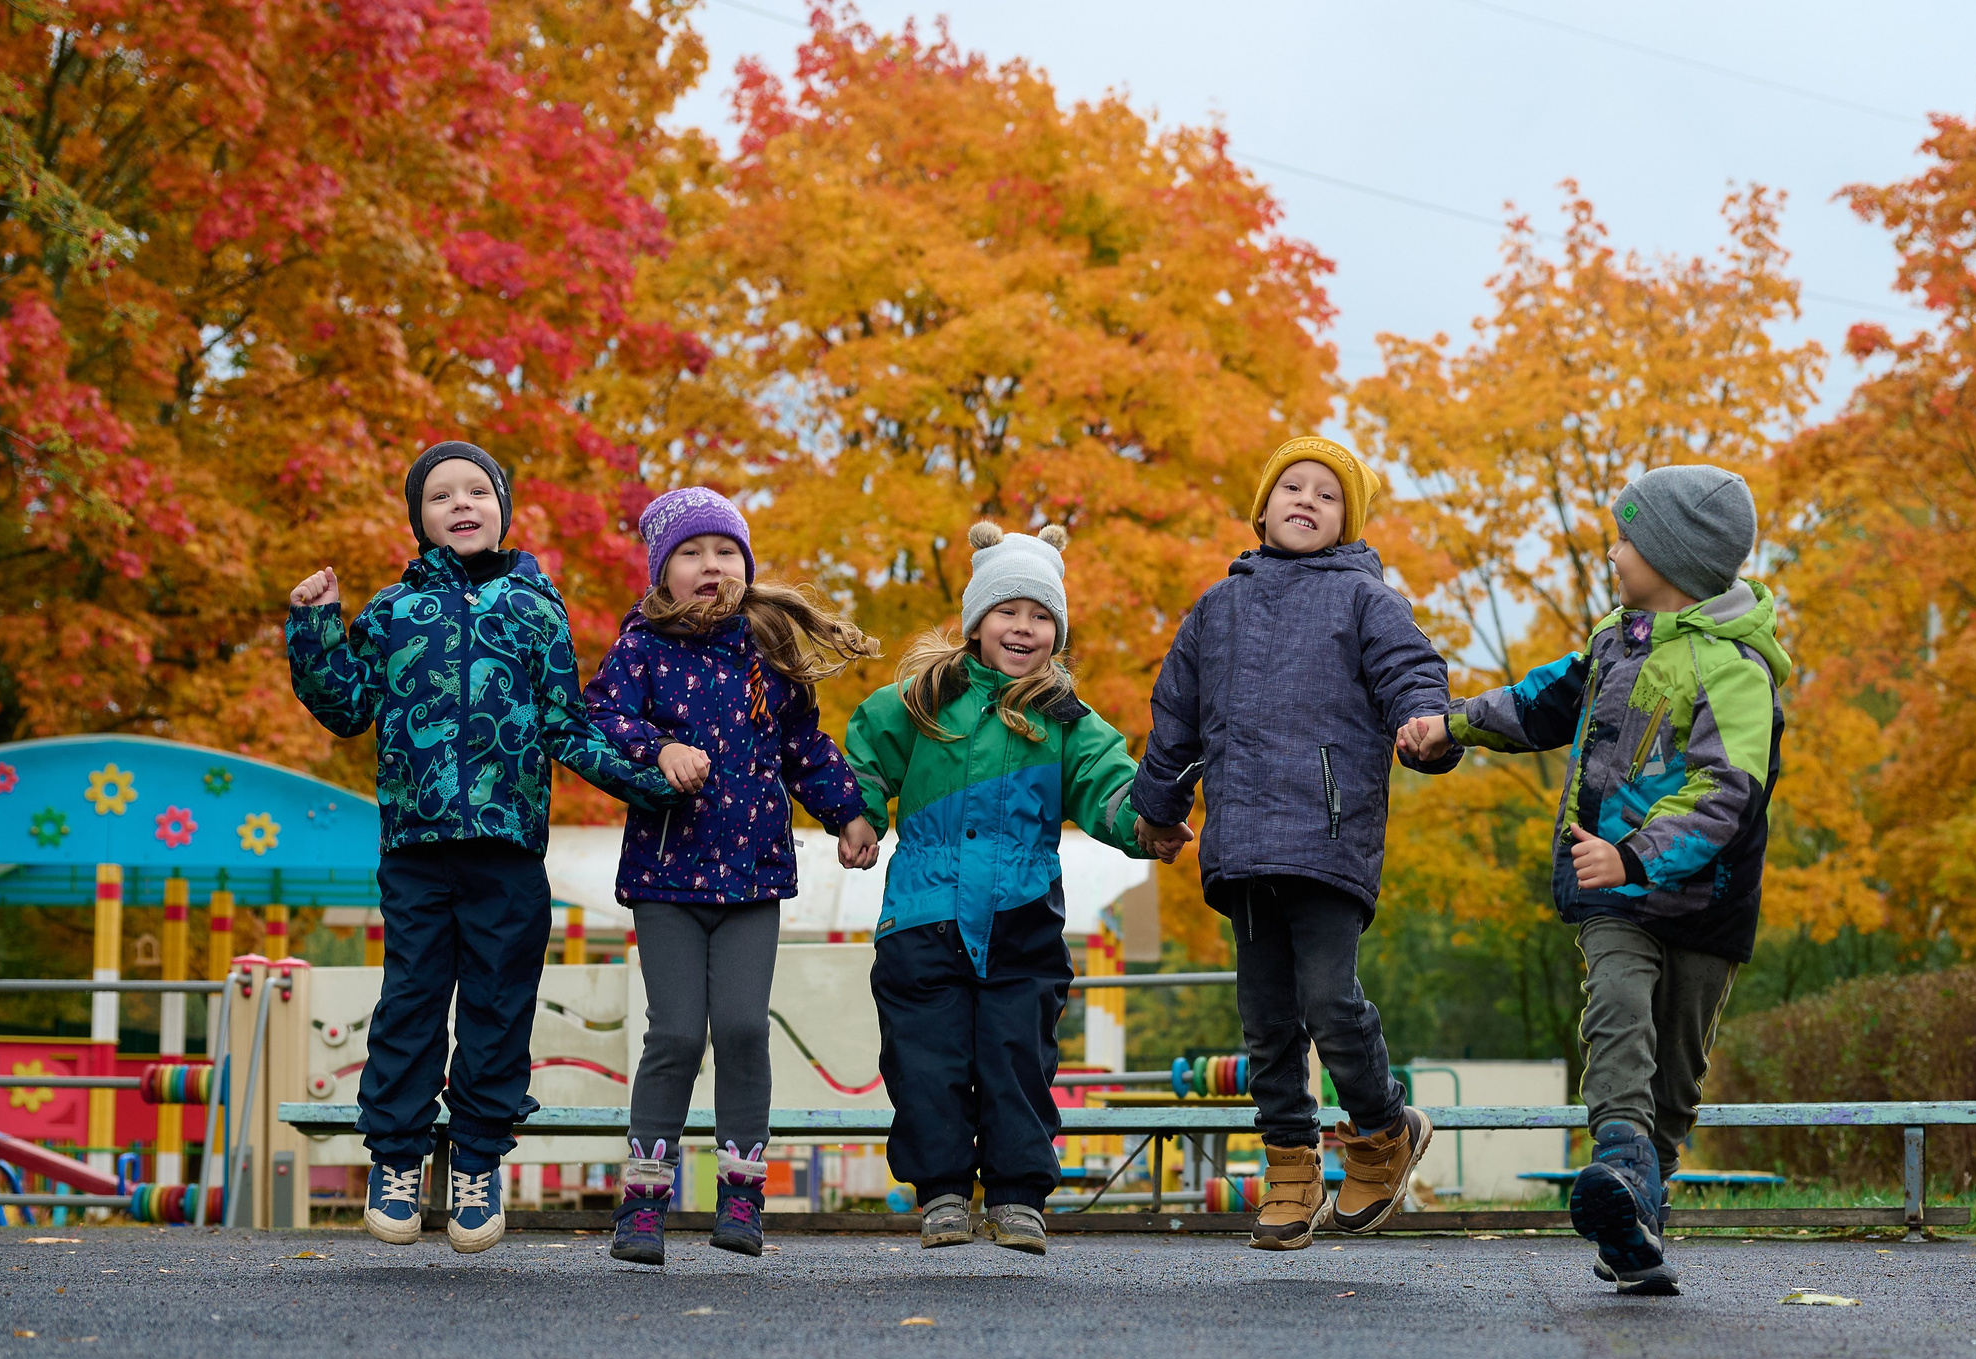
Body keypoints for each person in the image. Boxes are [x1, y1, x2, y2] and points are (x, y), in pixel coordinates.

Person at [1398, 464, 1788, 1295]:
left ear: (1672, 557)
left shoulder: (1738, 669)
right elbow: (1543, 702)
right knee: (1615, 1009)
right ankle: (1615, 1161)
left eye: (1626, 538)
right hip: (1614, 896)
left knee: (1675, 1079)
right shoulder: (1618, 639)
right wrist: (1452, 725)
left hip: (1703, 903)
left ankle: (1635, 1224)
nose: (1613, 552)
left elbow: (1728, 793)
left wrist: (1638, 852)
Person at [288, 441, 678, 1253]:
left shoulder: (537, 609)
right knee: (411, 1003)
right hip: (416, 849)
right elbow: (347, 705)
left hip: (507, 850)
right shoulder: (392, 611)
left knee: (500, 1007)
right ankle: (396, 1158)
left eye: (476, 490)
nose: (460, 504)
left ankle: (476, 1161)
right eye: (440, 496)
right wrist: (316, 626)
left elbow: (567, 726)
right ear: (420, 519)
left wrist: (650, 783)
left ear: (502, 506)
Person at [1129, 437, 1461, 1251]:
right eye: (1292, 486)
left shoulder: (1365, 600)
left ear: (1347, 521)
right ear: (1263, 507)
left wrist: (1427, 728)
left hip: (1328, 832)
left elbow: (1412, 675)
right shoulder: (1217, 607)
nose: (1307, 500)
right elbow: (1175, 714)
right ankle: (1289, 1166)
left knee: (1327, 998)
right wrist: (1159, 805)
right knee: (1267, 1019)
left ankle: (1382, 1130)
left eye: (1327, 494)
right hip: (1242, 840)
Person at [845, 520, 1170, 1256]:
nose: (1024, 627)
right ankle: (944, 1194)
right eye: (1008, 611)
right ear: (976, 620)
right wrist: (859, 815)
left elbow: (1109, 782)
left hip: (1022, 917)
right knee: (925, 1061)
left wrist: (1144, 826)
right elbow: (863, 749)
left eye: (1040, 615)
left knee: (1017, 1059)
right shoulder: (923, 698)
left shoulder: (1062, 718)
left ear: (1056, 630)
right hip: (922, 917)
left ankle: (1020, 1194)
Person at [585, 487, 882, 1266]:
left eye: (725, 552)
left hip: (752, 877)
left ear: (746, 565)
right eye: (691, 553)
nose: (711, 565)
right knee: (678, 1032)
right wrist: (657, 749)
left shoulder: (769, 653)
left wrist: (848, 811)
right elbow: (602, 718)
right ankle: (644, 1203)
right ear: (663, 571)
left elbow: (805, 748)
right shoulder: (641, 648)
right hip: (668, 880)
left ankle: (743, 1196)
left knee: (745, 1029)